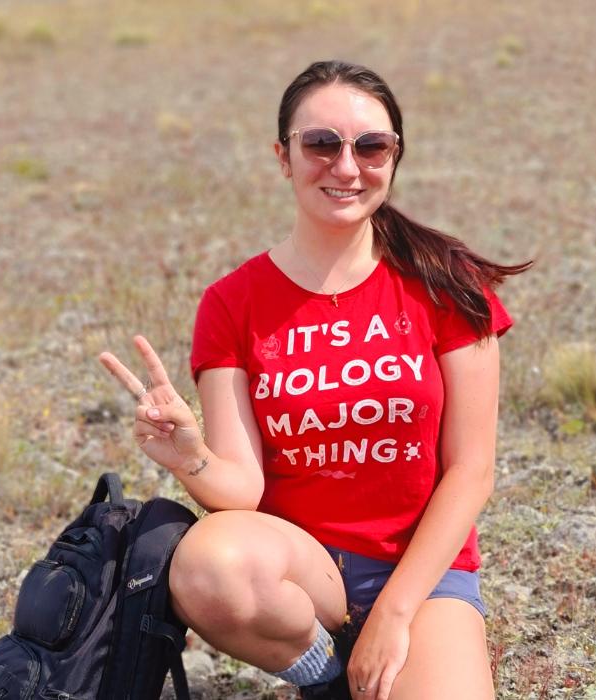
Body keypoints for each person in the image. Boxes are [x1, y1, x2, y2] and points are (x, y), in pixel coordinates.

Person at [99, 60, 530, 700]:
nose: (347, 167)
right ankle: (325, 678)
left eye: (371, 146)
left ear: (395, 155)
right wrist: (191, 456)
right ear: (283, 157)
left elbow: (472, 470)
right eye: (321, 143)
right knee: (209, 563)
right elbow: (241, 490)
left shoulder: (449, 285)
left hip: (420, 572)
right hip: (306, 571)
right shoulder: (232, 302)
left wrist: (395, 613)